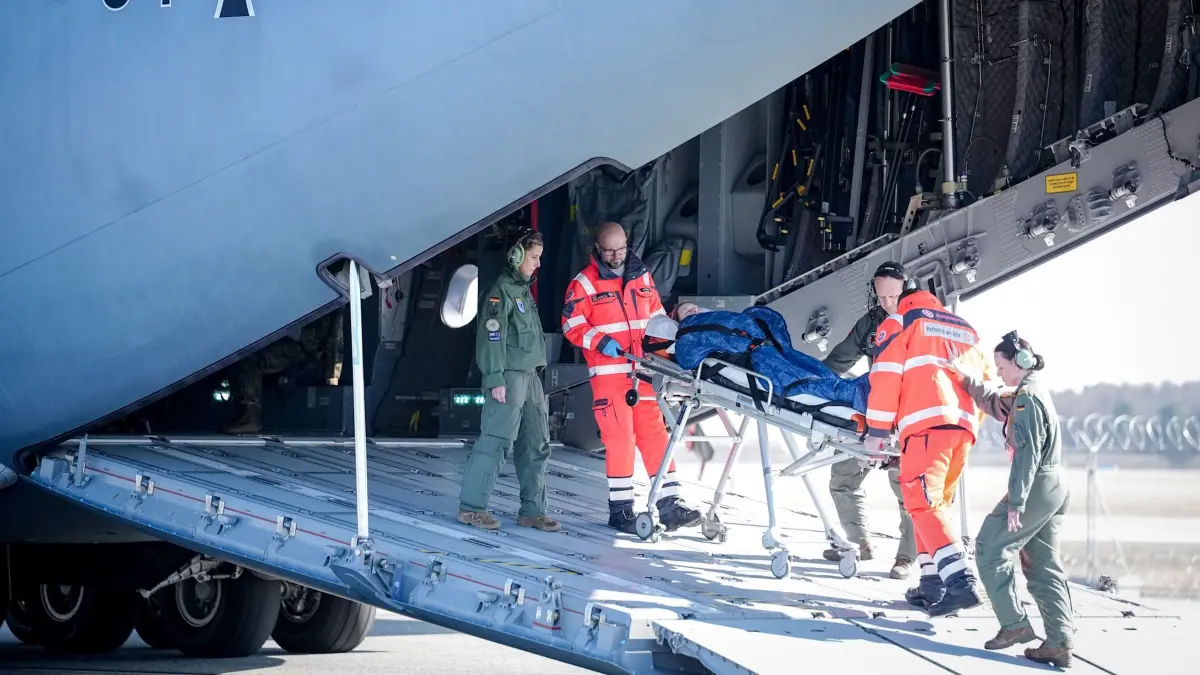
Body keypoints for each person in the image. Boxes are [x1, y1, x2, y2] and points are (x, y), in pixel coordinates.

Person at [562, 221, 702, 534]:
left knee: (654, 434)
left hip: (643, 372)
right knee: (620, 440)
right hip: (611, 377)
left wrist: (677, 327)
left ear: (628, 246)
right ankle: (621, 510)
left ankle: (670, 504)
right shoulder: (584, 284)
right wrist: (600, 342)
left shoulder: (642, 276)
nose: (614, 256)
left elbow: (656, 320)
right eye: (609, 250)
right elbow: (571, 326)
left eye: (620, 249)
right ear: (598, 249)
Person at [948, 332, 1074, 667]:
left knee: (989, 549)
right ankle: (1059, 644)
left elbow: (1027, 455)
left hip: (1035, 487)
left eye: (1002, 366)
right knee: (1042, 565)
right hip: (1052, 487)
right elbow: (993, 399)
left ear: (1019, 363)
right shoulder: (1027, 392)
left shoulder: (1026, 399)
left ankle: (1014, 624)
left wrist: (1017, 502)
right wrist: (964, 377)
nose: (999, 372)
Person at [864, 287, 989, 617]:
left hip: (925, 423)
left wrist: (877, 430)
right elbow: (984, 383)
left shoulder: (902, 321)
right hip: (962, 430)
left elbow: (887, 376)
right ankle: (932, 585)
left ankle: (960, 582)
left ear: (906, 300)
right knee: (935, 505)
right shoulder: (965, 328)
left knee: (920, 501)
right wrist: (967, 425)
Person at [457, 230, 560, 532]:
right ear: (516, 256)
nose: (537, 264)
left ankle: (532, 510)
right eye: (533, 257)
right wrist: (494, 378)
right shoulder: (499, 291)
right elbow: (492, 337)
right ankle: (472, 508)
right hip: (509, 377)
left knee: (535, 445)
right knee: (496, 441)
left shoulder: (522, 291)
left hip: (531, 378)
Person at [821, 262, 917, 579]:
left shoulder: (922, 320)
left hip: (911, 413)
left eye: (893, 296)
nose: (887, 303)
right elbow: (838, 359)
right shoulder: (871, 323)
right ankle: (857, 542)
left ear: (907, 289)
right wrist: (808, 382)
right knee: (843, 477)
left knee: (909, 489)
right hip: (874, 408)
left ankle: (906, 557)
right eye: (881, 297)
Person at [223, 311, 344, 435]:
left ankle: (251, 417)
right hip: (284, 335)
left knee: (247, 358)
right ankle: (245, 413)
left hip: (304, 348)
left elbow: (336, 339)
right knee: (237, 352)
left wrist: (332, 378)